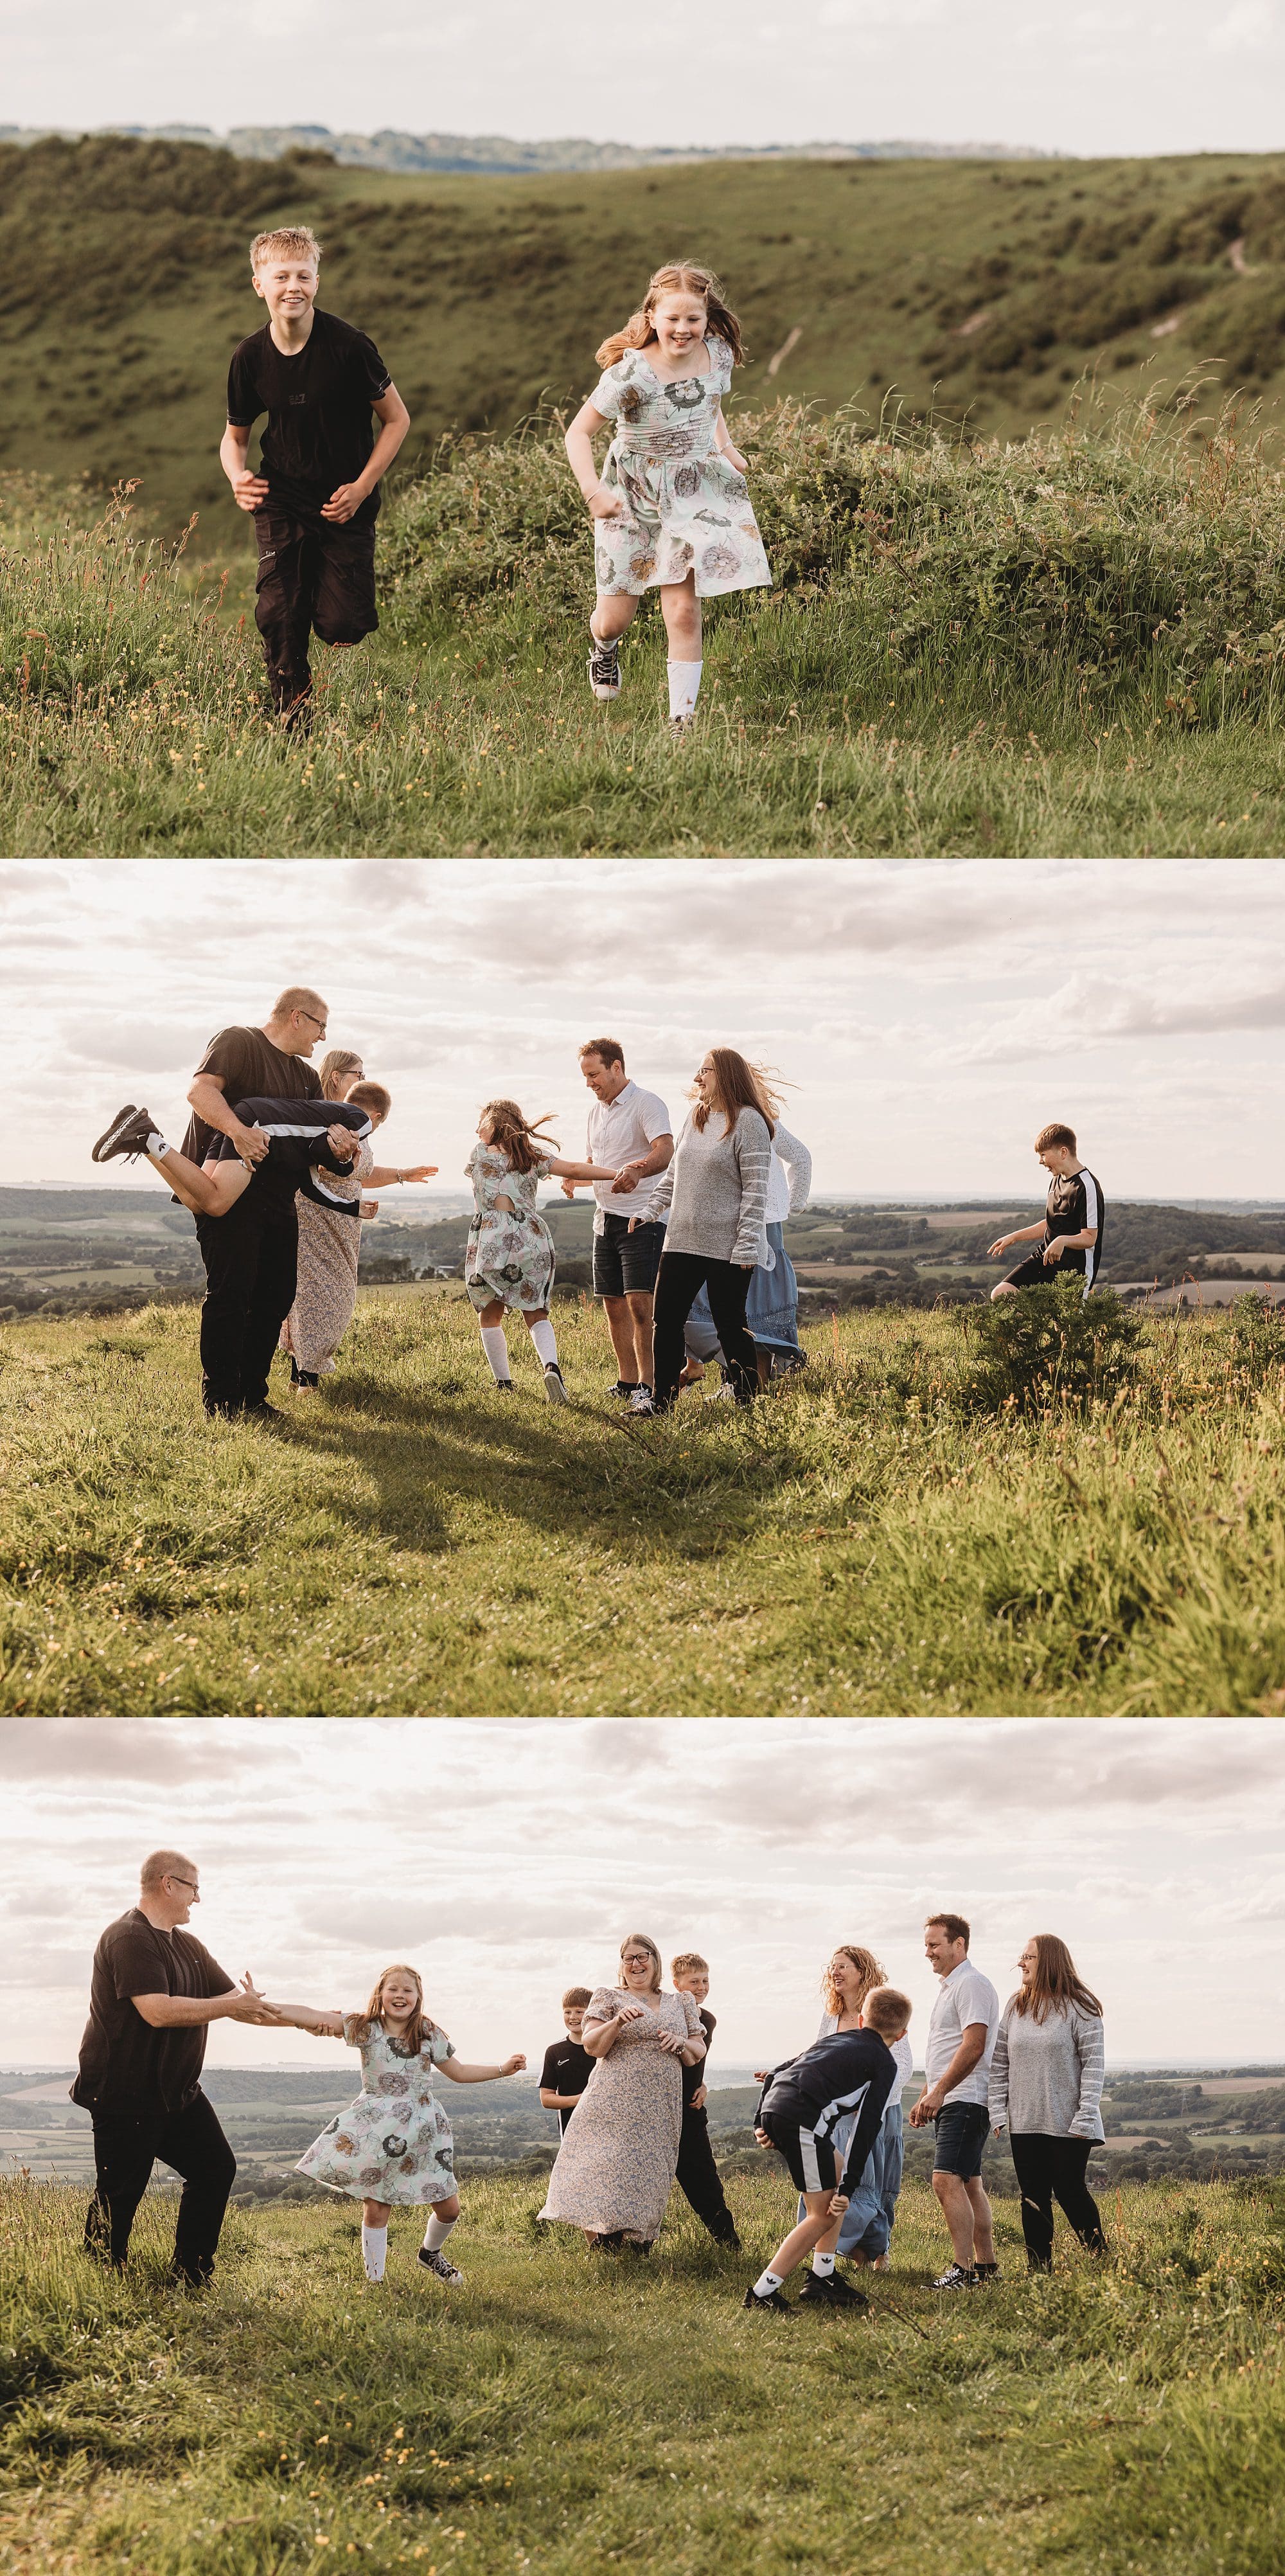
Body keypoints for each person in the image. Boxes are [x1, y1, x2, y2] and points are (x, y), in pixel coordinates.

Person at [563, 262, 772, 731]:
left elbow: (712, 401)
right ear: (652, 316)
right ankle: (603, 648)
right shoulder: (630, 374)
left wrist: (727, 446)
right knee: (614, 618)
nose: (684, 329)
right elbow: (577, 433)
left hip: (694, 490)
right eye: (673, 319)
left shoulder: (717, 356)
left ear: (706, 316)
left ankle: (682, 721)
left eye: (693, 319)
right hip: (632, 496)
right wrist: (593, 490)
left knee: (682, 610)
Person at [221, 225, 411, 723]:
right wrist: (236, 475)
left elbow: (397, 419)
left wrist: (363, 486)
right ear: (259, 284)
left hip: (345, 499)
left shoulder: (350, 347)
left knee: (344, 624)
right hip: (280, 496)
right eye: (280, 276)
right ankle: (292, 715)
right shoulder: (249, 357)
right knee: (280, 612)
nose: (293, 287)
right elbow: (234, 437)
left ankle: (307, 611)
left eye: (303, 276)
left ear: (317, 282)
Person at [72, 1850, 273, 2284]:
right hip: (125, 2094)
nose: (197, 1900)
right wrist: (233, 2005)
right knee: (120, 2195)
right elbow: (157, 2011)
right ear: (168, 1884)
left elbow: (240, 2005)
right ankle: (97, 2281)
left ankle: (191, 2274)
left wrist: (326, 2023)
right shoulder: (128, 1937)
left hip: (177, 2093)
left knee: (215, 2168)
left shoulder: (189, 1947)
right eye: (194, 1889)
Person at [262, 1963, 526, 2285]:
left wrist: (501, 2069)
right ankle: (376, 2282)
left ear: (418, 1997)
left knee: (449, 2208)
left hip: (425, 2130)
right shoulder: (366, 2027)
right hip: (378, 2128)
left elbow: (458, 2072)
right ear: (381, 1994)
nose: (400, 1995)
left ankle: (430, 2253)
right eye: (393, 1989)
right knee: (377, 2206)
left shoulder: (427, 2031)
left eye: (407, 1990)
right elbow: (311, 2014)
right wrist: (269, 2006)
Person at [147, 988, 330, 1418]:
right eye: (322, 1026)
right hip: (229, 1197)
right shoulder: (239, 1042)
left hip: (281, 1199)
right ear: (297, 1018)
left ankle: (252, 1395)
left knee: (275, 1298)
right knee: (231, 1296)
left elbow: (313, 1140)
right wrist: (238, 1130)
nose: (323, 1038)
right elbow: (199, 1092)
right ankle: (221, 1399)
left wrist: (338, 1150)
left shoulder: (308, 1078)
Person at [745, 1984, 912, 2313]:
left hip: (780, 2111)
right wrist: (849, 2190)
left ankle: (823, 2276)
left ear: (862, 2019)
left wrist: (760, 2122)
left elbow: (777, 2073)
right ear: (903, 2034)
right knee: (822, 2214)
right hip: (802, 2123)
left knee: (835, 2174)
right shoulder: (885, 2064)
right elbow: (866, 2129)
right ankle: (762, 2294)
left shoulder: (834, 2039)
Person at [538, 1935, 705, 2250]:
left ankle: (639, 2242)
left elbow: (697, 2050)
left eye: (642, 1957)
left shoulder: (680, 2001)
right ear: (621, 1965)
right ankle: (604, 2243)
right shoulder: (609, 1997)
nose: (635, 1964)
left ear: (655, 1960)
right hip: (612, 2103)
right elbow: (592, 2045)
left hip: (659, 2107)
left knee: (650, 2173)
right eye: (628, 1958)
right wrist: (616, 2022)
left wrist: (681, 2043)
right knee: (607, 2171)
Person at [636, 1049, 774, 1415]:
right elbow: (673, 1176)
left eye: (705, 1071)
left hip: (728, 1247)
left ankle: (748, 1404)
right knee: (665, 1322)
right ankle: (660, 1403)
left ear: (726, 1076)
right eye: (697, 1071)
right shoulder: (694, 1118)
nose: (697, 1078)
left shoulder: (749, 1123)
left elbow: (756, 1190)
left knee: (730, 1326)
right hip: (681, 1239)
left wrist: (746, 1247)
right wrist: (651, 1210)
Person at [280, 1075, 439, 1391]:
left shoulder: (339, 1124)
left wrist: (400, 1175)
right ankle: (308, 1379)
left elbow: (358, 1173)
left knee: (312, 1292)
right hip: (324, 1223)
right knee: (327, 1297)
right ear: (377, 1115)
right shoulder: (347, 1131)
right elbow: (334, 1166)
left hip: (333, 1224)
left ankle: (301, 1372)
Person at [464, 1100, 621, 1404]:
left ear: (494, 1124)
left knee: (490, 1312)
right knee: (536, 1312)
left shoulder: (479, 1154)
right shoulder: (531, 1157)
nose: (476, 1129)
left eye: (481, 1122)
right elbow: (575, 1169)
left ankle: (504, 1383)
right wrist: (618, 1173)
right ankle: (551, 1368)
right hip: (530, 1238)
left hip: (492, 1240)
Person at [563, 1038, 673, 1413]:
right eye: (585, 1076)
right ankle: (627, 1382)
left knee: (641, 1306)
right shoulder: (595, 1112)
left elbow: (664, 1151)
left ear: (617, 1068)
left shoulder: (648, 1103)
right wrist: (576, 1178)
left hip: (642, 1217)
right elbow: (596, 1158)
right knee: (612, 1303)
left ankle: (649, 1385)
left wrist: (638, 1170)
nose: (589, 1083)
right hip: (604, 1219)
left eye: (594, 1075)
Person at [989, 1935, 1107, 2273]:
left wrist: (1085, 2117)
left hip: (1070, 2122)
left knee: (1070, 2191)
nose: (1021, 1963)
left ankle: (1101, 2261)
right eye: (1021, 1956)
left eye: (1029, 1957)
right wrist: (998, 2110)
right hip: (1025, 2121)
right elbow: (999, 2063)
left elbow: (1093, 2066)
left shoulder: (1081, 2007)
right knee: (1032, 2197)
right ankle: (1038, 2272)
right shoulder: (1016, 2006)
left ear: (1050, 1962)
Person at [792, 1945, 912, 2274]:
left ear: (863, 1972)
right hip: (836, 2118)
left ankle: (878, 2251)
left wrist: (869, 2102)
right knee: (839, 2184)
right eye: (832, 1967)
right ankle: (836, 2252)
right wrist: (784, 2072)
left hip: (877, 2116)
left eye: (843, 1966)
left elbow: (900, 2066)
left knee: (876, 2187)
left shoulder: (881, 2011)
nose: (835, 1972)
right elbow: (818, 2054)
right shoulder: (831, 2016)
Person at [682, 1117, 811, 1396]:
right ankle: (735, 1379)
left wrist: (793, 1202)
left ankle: (753, 1387)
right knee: (723, 1305)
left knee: (755, 1309)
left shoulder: (763, 1121)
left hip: (760, 1227)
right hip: (720, 1224)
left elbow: (801, 1157)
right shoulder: (712, 1120)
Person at [910, 1912, 1002, 2291]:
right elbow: (945, 2048)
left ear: (959, 1944)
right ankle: (986, 2268)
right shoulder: (951, 1987)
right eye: (926, 1945)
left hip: (966, 2097)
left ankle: (962, 2271)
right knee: (969, 2185)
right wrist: (928, 2092)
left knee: (945, 2180)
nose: (928, 1952)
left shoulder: (972, 1985)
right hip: (954, 2096)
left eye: (935, 1944)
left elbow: (974, 2046)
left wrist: (941, 2090)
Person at [669, 1951, 740, 2248]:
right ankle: (627, 2246)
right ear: (676, 1984)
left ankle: (728, 2243)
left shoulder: (707, 2019)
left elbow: (695, 2062)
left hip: (690, 2110)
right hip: (658, 2108)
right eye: (694, 1981)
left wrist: (702, 2084)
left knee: (704, 2180)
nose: (701, 1987)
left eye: (705, 1980)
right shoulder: (667, 2013)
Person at [988, 1124, 1105, 1301]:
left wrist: (1062, 1241)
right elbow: (1052, 1223)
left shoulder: (1087, 1187)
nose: (1040, 1161)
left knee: (1064, 1327)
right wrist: (1014, 1237)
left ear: (1063, 1152)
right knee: (1001, 1294)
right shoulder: (1056, 1181)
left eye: (1043, 1154)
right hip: (1045, 1259)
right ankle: (1029, 1331)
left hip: (1075, 1270)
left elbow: (1090, 1237)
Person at [539, 1989, 596, 2136]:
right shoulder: (554, 2051)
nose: (573, 2017)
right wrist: (579, 2100)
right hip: (571, 2132)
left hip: (607, 2129)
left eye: (579, 2011)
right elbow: (546, 2099)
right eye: (567, 2012)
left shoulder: (606, 2048)